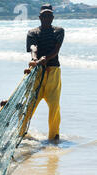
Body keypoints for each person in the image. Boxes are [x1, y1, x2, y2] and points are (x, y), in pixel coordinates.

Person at [26, 4, 64, 142]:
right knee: (30, 105)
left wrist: (45, 59)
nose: (47, 18)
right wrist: (35, 58)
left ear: (52, 17)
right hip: (36, 73)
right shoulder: (32, 32)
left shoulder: (59, 31)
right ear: (40, 17)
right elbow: (33, 47)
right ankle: (21, 133)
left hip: (53, 72)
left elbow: (56, 50)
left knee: (54, 105)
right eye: (44, 16)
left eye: (49, 16)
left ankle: (54, 136)